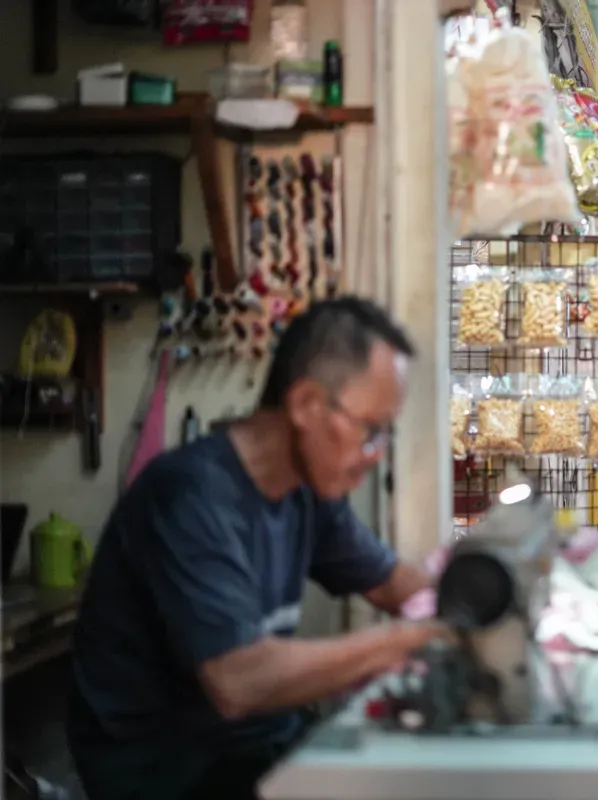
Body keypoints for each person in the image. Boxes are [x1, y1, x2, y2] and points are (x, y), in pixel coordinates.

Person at [68, 298, 447, 800]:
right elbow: (239, 680)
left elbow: (388, 583)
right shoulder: (191, 496)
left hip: (253, 748)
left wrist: (479, 597)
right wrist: (406, 640)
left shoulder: (309, 491)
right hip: (164, 773)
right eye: (371, 431)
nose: (375, 456)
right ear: (307, 405)